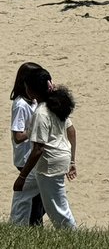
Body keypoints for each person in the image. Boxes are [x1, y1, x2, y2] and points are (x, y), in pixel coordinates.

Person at [13, 70, 76, 230]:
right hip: (59, 158)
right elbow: (72, 130)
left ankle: (73, 235)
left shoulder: (41, 113)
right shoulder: (55, 104)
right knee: (23, 190)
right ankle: (17, 226)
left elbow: (38, 150)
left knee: (56, 208)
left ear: (32, 90)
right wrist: (72, 161)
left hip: (49, 165)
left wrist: (22, 175)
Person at [10, 62, 47, 226]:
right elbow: (18, 136)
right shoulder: (20, 105)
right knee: (34, 200)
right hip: (26, 158)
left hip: (34, 157)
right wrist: (34, 129)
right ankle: (32, 225)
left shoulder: (33, 101)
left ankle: (34, 224)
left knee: (40, 199)